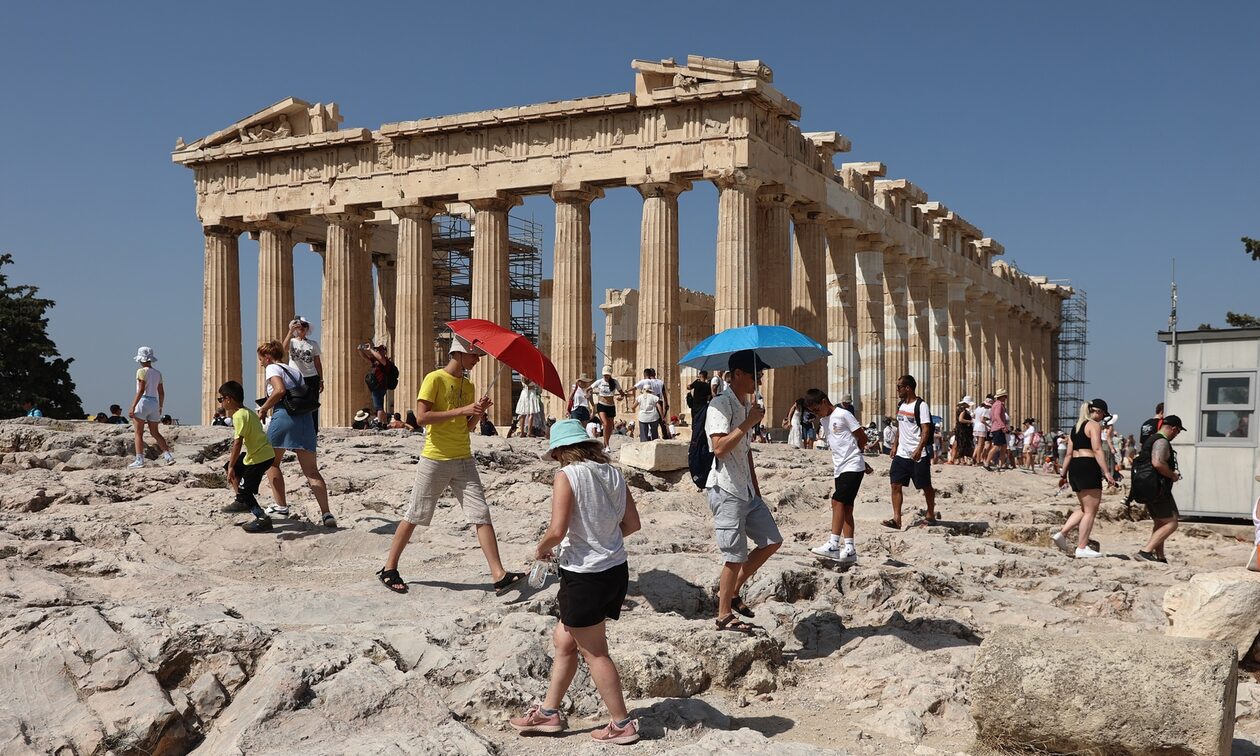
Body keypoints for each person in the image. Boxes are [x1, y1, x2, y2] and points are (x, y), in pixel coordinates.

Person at [508, 419, 642, 744]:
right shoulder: (613, 473)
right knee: (565, 640)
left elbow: (557, 531)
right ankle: (549, 713)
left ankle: (622, 724)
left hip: (585, 576)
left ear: (560, 452)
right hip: (615, 570)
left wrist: (539, 550)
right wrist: (604, 541)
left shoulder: (567, 475)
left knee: (596, 653)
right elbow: (633, 524)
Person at [376, 338, 523, 596]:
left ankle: (499, 575)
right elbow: (422, 418)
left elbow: (465, 428)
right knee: (415, 514)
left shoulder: (469, 385)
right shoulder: (434, 379)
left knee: (481, 514)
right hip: (435, 458)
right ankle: (389, 568)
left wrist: (477, 413)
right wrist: (463, 409)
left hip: (464, 458)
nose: (478, 359)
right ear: (460, 353)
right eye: (475, 354)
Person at [705, 350, 782, 633]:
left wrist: (757, 490)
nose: (759, 379)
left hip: (746, 490)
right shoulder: (719, 405)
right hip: (725, 489)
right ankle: (723, 615)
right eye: (755, 375)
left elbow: (745, 450)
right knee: (734, 555)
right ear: (737, 374)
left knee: (772, 540)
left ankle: (733, 591)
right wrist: (748, 422)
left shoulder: (743, 404)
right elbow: (720, 448)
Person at [255, 340, 335, 528]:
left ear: (267, 357)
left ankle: (281, 506)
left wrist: (264, 408)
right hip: (305, 419)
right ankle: (327, 514)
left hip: (285, 415)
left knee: (270, 461)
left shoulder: (272, 368)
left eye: (260, 359)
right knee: (311, 471)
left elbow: (280, 390)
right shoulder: (295, 371)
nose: (260, 363)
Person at [805, 388, 870, 564]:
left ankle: (833, 544)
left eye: (817, 410)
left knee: (837, 502)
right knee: (846, 507)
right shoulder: (825, 420)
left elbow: (861, 438)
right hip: (839, 467)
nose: (816, 414)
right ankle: (849, 549)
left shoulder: (843, 414)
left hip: (852, 465)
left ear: (824, 401)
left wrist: (859, 457)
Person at [1051, 399, 1117, 559]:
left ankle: (1062, 533)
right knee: (1091, 511)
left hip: (1074, 466)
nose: (1102, 418)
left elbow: (1068, 453)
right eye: (1102, 414)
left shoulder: (1075, 428)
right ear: (1098, 412)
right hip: (1088, 466)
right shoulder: (1093, 425)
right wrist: (1107, 472)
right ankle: (1082, 547)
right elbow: (1096, 449)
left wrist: (1063, 475)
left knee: (1084, 508)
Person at [217, 380, 277, 533]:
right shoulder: (248, 412)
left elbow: (238, 443)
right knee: (234, 468)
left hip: (259, 457)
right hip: (261, 454)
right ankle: (241, 500)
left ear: (229, 399)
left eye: (221, 399)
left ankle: (262, 518)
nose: (221, 403)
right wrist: (231, 465)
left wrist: (231, 465)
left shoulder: (239, 416)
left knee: (245, 489)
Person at [884, 375, 937, 529]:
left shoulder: (921, 406)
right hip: (902, 453)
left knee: (925, 485)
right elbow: (901, 427)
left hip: (917, 454)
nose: (897, 390)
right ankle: (896, 519)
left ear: (908, 388)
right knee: (895, 484)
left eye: (899, 387)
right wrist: (895, 445)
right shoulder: (901, 405)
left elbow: (926, 429)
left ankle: (931, 513)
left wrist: (919, 449)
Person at [1137, 415, 1184, 562]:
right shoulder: (1161, 441)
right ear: (1174, 429)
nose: (1176, 435)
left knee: (1160, 522)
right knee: (1172, 522)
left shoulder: (1149, 440)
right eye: (1178, 432)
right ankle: (1145, 551)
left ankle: (1160, 556)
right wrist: (1172, 475)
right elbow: (1157, 463)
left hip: (1147, 487)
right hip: (1158, 488)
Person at [127, 347, 175, 468]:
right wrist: (160, 406)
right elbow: (162, 392)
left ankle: (139, 459)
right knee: (155, 432)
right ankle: (168, 455)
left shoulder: (141, 371)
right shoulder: (158, 373)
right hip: (154, 402)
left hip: (143, 401)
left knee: (138, 433)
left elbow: (141, 389)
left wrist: (133, 406)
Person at [284, 317, 324, 429]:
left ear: (307, 329)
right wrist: (290, 331)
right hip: (295, 378)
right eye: (299, 325)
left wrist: (321, 379)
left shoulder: (313, 344)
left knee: (312, 405)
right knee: (295, 404)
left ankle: (313, 431)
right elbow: (283, 349)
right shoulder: (291, 341)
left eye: (304, 325)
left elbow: (317, 363)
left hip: (311, 377)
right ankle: (295, 430)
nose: (301, 327)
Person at [591, 366, 629, 453]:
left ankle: (605, 443)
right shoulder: (599, 382)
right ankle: (607, 445)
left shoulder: (614, 382)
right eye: (604, 375)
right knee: (605, 424)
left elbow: (622, 394)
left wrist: (621, 397)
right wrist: (588, 396)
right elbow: (589, 389)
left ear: (610, 375)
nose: (606, 376)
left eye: (607, 375)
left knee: (610, 427)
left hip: (611, 406)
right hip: (601, 405)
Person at [358, 343, 397, 427]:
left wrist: (370, 349)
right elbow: (366, 358)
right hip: (378, 385)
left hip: (380, 385)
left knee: (378, 406)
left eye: (379, 350)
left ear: (384, 352)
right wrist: (360, 351)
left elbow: (381, 359)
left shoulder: (385, 361)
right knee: (380, 405)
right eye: (377, 350)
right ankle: (384, 423)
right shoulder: (376, 360)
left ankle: (379, 423)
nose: (377, 351)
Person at [633, 368, 671, 440]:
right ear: (655, 374)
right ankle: (665, 435)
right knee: (660, 420)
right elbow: (664, 394)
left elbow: (637, 388)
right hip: (659, 401)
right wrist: (666, 404)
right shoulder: (660, 382)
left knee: (648, 419)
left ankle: (647, 436)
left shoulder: (648, 382)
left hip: (649, 400)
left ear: (649, 375)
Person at [985, 389, 1011, 471]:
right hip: (998, 428)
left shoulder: (995, 404)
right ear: (1003, 397)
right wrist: (1003, 426)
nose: (1006, 398)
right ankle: (987, 463)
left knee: (1004, 446)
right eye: (1005, 396)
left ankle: (1001, 465)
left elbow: (992, 416)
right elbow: (997, 416)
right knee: (997, 446)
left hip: (996, 427)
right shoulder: (999, 405)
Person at [953, 397, 975, 464]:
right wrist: (970, 421)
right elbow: (961, 419)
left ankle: (961, 459)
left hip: (961, 429)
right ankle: (962, 459)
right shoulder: (963, 411)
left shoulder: (960, 410)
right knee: (963, 443)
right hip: (963, 430)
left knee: (960, 443)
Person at [972, 395, 992, 465]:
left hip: (976, 427)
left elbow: (973, 416)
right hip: (981, 427)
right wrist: (989, 426)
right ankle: (978, 460)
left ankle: (974, 457)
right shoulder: (986, 410)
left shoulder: (978, 408)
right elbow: (982, 420)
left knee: (978, 444)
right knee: (981, 444)